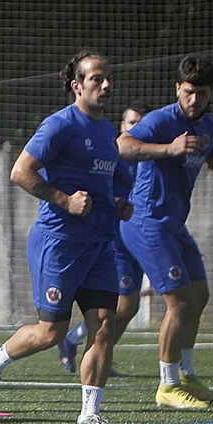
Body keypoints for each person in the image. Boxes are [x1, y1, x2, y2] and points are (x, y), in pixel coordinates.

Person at [0, 52, 130, 424]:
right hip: (58, 243)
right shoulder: (59, 125)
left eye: (108, 78)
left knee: (104, 325)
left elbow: (100, 184)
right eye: (96, 79)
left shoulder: (108, 132)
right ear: (77, 85)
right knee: (51, 333)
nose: (105, 85)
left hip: (99, 244)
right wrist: (65, 201)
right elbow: (19, 171)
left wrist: (117, 204)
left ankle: (88, 415)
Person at [117, 55, 213, 409]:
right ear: (178, 88)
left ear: (210, 94)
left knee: (199, 295)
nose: (195, 100)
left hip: (174, 225)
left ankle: (187, 376)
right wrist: (168, 148)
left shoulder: (208, 126)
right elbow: (123, 146)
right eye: (189, 92)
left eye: (202, 94)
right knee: (178, 301)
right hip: (146, 222)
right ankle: (167, 386)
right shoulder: (160, 121)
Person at [58, 101, 151, 374]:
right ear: (122, 127)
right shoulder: (112, 154)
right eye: (132, 122)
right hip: (115, 237)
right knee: (120, 305)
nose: (136, 128)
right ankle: (72, 339)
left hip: (136, 234)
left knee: (130, 307)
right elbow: (98, 190)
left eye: (141, 123)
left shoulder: (143, 158)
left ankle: (102, 355)